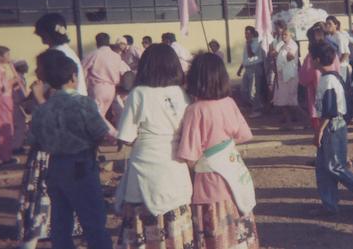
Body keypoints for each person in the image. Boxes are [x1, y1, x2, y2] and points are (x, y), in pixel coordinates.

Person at [28, 52, 112, 249]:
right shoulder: (83, 104)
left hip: (55, 165)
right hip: (81, 164)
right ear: (74, 77)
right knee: (93, 220)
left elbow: (34, 140)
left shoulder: (43, 109)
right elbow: (100, 132)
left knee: (60, 221)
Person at [177, 53, 260, 249]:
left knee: (216, 233)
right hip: (233, 170)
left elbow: (188, 154)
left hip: (210, 181)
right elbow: (244, 134)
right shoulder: (229, 102)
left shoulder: (195, 110)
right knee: (239, 225)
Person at [115, 43, 194, 249]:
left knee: (143, 225)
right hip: (175, 168)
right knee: (174, 226)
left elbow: (125, 136)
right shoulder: (181, 93)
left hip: (145, 170)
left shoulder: (138, 94)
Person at [310, 41, 353, 216]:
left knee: (334, 166)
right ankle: (329, 205)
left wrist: (319, 132)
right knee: (324, 167)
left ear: (316, 59)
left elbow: (330, 110)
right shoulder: (331, 77)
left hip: (332, 126)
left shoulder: (328, 80)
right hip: (335, 124)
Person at [82, 32, 129, 135]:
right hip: (112, 89)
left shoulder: (94, 54)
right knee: (102, 115)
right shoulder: (116, 56)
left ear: (97, 42)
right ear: (108, 42)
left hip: (98, 88)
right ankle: (107, 136)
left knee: (96, 116)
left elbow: (82, 70)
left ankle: (114, 135)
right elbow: (124, 71)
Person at [0, 46, 24, 164]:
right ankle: (6, 157)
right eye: (7, 55)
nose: (9, 58)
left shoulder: (2, 68)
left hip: (3, 101)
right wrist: (13, 81)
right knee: (5, 129)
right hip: (1, 101)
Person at [299, 23, 341, 134]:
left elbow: (304, 78)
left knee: (320, 123)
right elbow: (338, 70)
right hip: (332, 89)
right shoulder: (333, 53)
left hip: (316, 92)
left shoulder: (311, 56)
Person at [34, 13, 87, 95]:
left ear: (48, 33)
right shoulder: (65, 50)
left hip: (68, 100)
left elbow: (56, 81)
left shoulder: (57, 54)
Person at [272, 29, 299, 128]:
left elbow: (290, 57)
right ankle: (288, 121)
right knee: (283, 100)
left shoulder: (293, 45)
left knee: (290, 102)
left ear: (291, 35)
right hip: (281, 75)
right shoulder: (280, 44)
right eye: (282, 34)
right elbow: (274, 54)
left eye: (286, 34)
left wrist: (285, 57)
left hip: (290, 76)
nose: (283, 36)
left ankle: (302, 120)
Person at [237, 26, 266, 116]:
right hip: (247, 68)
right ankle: (257, 105)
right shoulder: (247, 43)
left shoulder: (256, 42)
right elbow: (246, 58)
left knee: (252, 91)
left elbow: (251, 55)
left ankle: (257, 110)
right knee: (244, 90)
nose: (246, 35)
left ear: (253, 34)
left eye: (248, 33)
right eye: (245, 33)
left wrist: (249, 44)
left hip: (255, 68)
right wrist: (240, 68)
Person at [325, 15, 351, 82]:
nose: (327, 26)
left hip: (341, 66)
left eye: (330, 24)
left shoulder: (339, 36)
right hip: (333, 66)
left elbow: (346, 53)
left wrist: (338, 65)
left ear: (336, 25)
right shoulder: (329, 37)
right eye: (326, 24)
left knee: (341, 86)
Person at [267, 20, 287, 103]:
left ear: (282, 28)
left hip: (284, 65)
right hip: (276, 63)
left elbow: (278, 51)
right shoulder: (276, 38)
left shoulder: (285, 37)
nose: (276, 29)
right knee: (274, 85)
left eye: (277, 28)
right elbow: (271, 50)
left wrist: (273, 52)